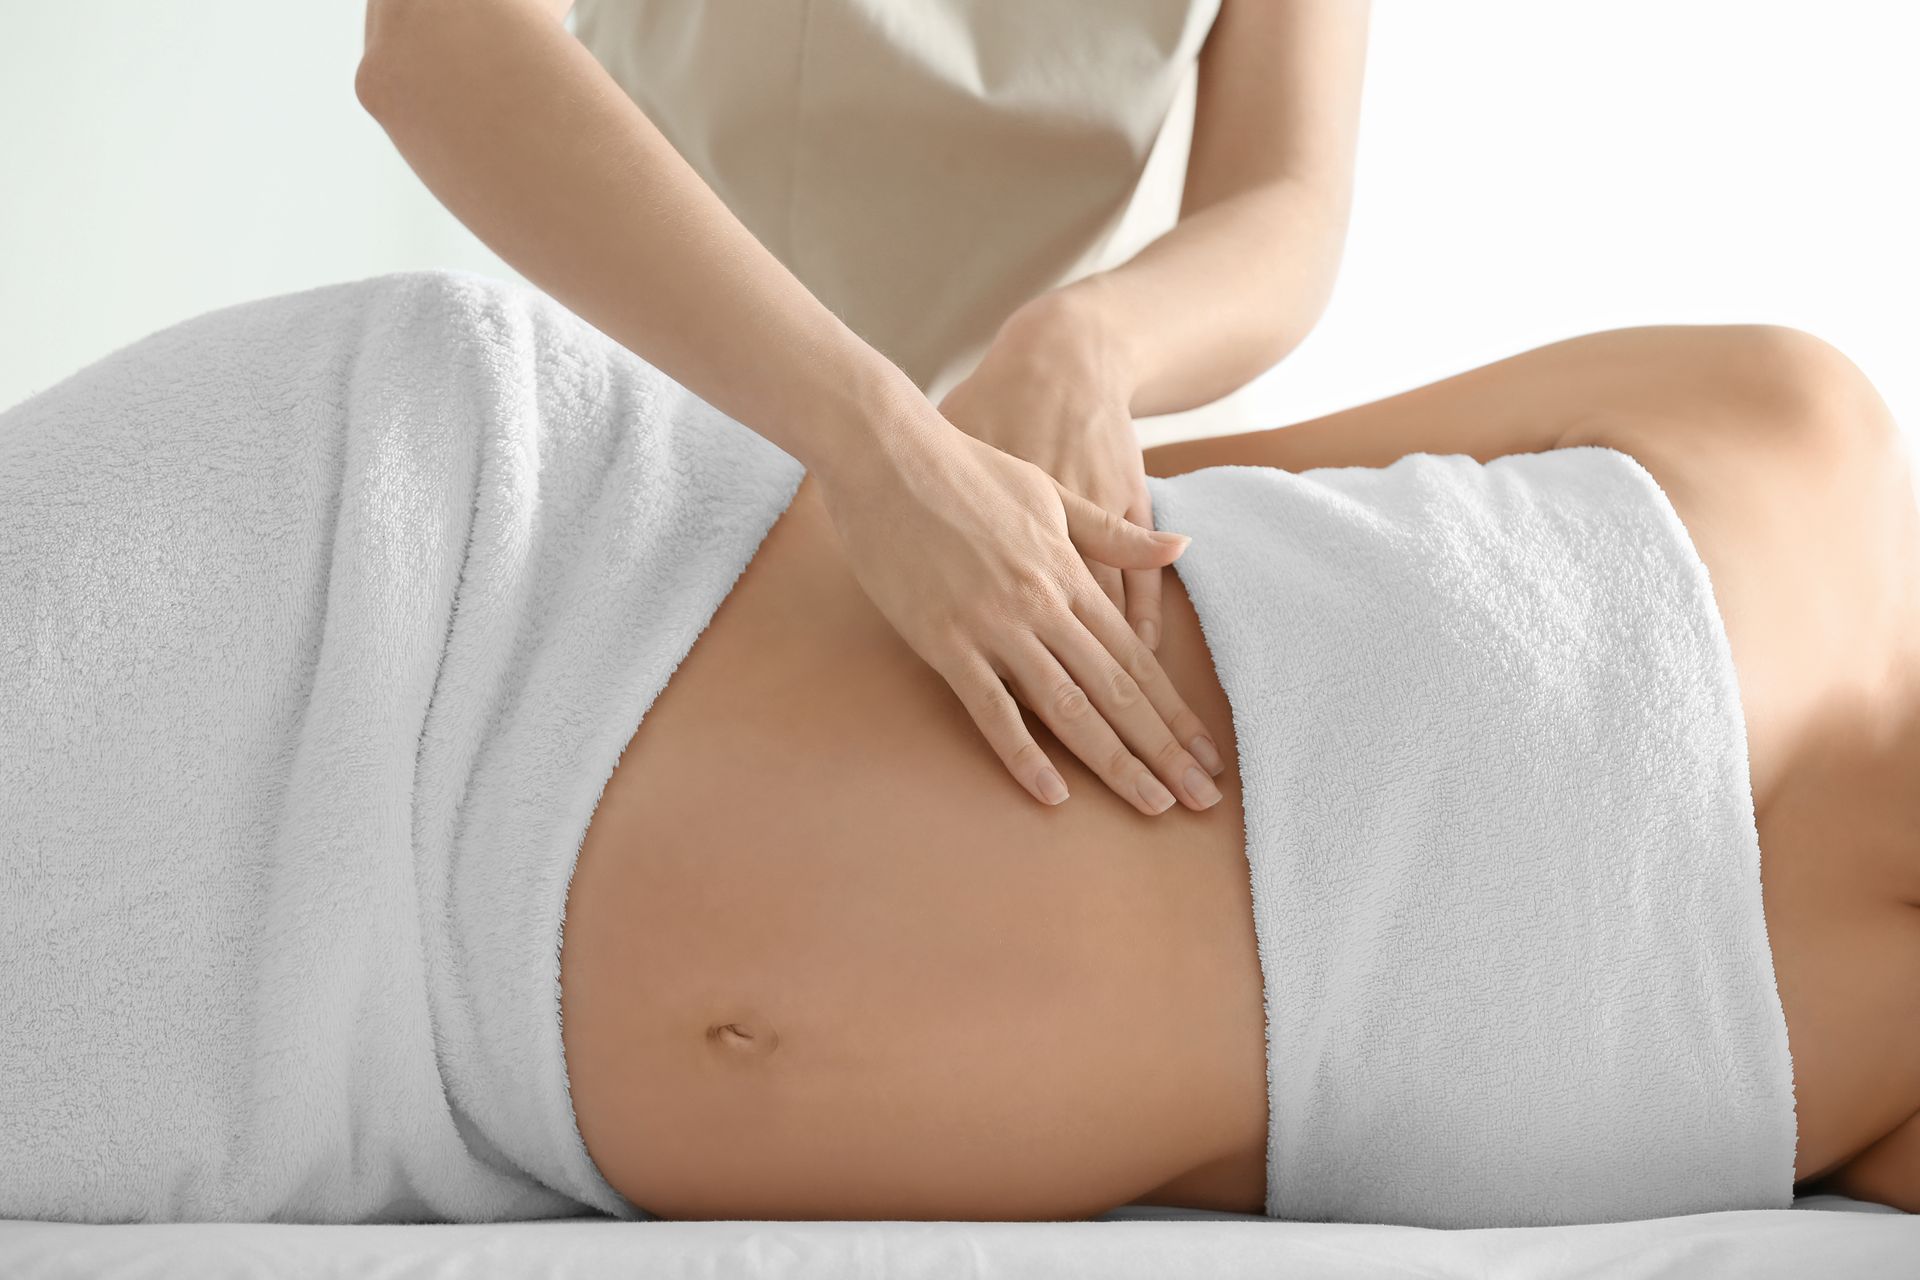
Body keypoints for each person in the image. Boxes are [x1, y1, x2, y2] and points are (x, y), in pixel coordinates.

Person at [352, 0, 1369, 817]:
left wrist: (1088, 345)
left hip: (999, 515)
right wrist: (873, 439)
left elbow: (1286, 200)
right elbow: (438, 39)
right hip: (637, 454)